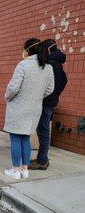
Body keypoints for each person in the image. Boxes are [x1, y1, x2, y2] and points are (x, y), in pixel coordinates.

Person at [4, 38, 54, 180]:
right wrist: (36, 97)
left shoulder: (23, 65)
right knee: (25, 138)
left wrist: (8, 97)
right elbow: (50, 89)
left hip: (19, 107)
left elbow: (13, 88)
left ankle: (15, 170)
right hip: (35, 108)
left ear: (28, 50)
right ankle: (25, 170)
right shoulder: (48, 67)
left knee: (15, 138)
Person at [30, 39, 67, 170]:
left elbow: (45, 85)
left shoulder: (51, 64)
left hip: (46, 102)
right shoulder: (58, 64)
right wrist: (56, 94)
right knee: (43, 130)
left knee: (43, 131)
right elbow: (64, 81)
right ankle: (42, 158)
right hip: (51, 102)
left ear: (48, 49)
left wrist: (48, 95)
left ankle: (42, 161)